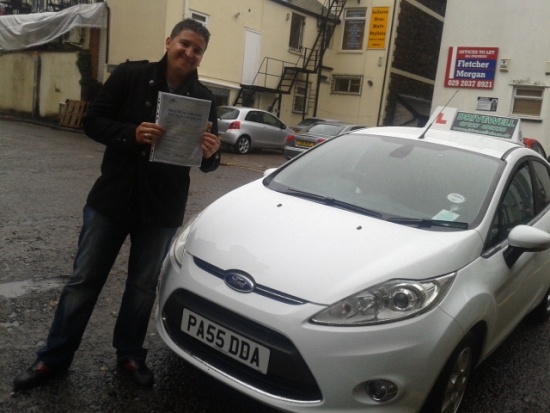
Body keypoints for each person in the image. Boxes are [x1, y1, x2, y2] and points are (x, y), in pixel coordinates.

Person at [13, 18, 221, 390]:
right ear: (169, 40)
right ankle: (53, 358)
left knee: (142, 288)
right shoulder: (131, 75)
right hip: (112, 200)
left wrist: (209, 153)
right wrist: (131, 133)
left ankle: (129, 354)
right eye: (185, 44)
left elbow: (206, 162)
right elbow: (92, 121)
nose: (189, 53)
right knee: (82, 282)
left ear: (201, 57)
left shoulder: (204, 100)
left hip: (161, 209)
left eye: (197, 50)